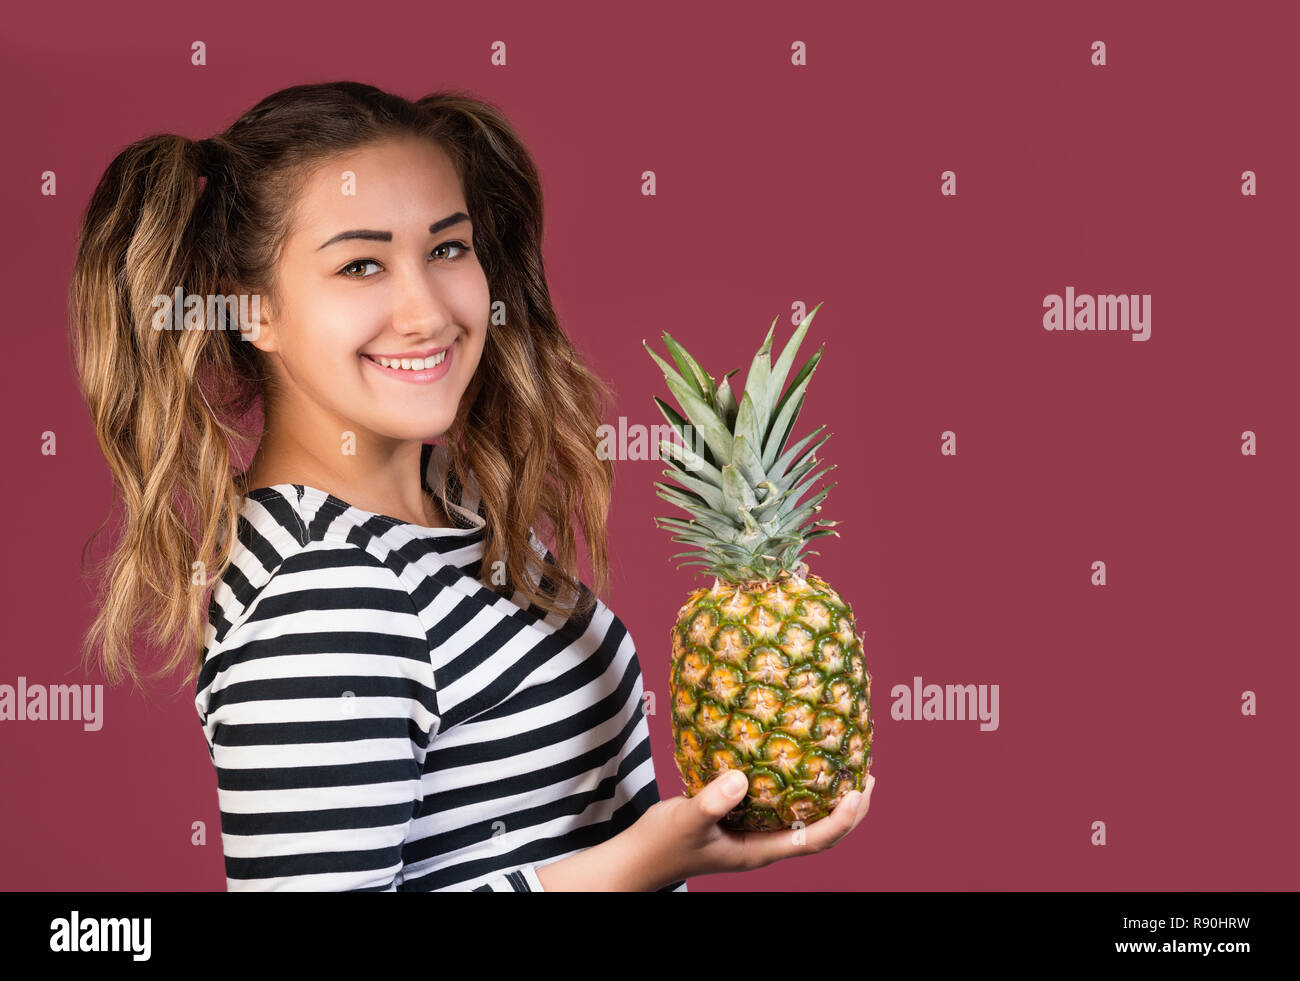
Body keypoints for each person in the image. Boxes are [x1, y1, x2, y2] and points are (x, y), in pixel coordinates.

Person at [67, 81, 875, 891]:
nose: (425, 311)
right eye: (360, 264)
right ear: (254, 311)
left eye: (448, 248)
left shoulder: (446, 502)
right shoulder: (325, 595)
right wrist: (633, 868)